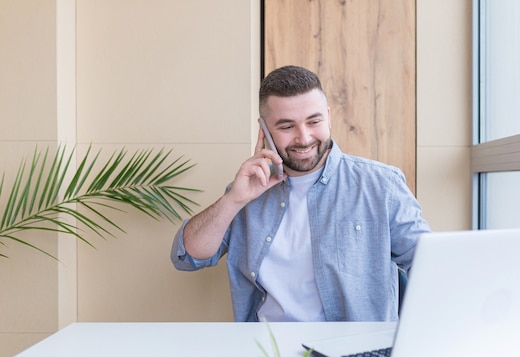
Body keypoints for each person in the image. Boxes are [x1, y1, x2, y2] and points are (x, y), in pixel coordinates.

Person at [170, 65, 430, 322]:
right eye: (286, 127)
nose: (303, 138)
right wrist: (233, 199)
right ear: (265, 130)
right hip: (267, 353)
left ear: (328, 117)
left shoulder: (381, 185)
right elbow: (188, 257)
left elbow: (431, 266)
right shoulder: (247, 191)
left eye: (314, 121)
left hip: (353, 351)